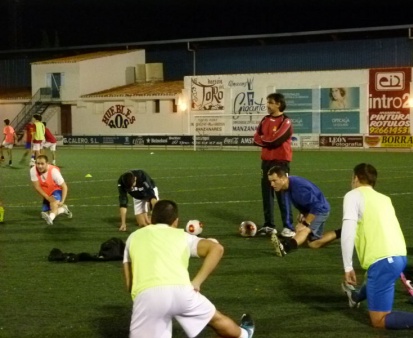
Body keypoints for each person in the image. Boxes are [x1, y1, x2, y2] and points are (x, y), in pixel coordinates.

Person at [340, 163, 413, 332]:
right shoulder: (385, 199)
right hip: (398, 257)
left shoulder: (353, 195)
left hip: (382, 261)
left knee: (379, 320)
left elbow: (348, 230)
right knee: (373, 277)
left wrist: (348, 266)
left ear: (355, 178)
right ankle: (355, 296)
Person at [122, 199, 255, 338]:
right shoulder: (183, 236)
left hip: (148, 296)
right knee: (215, 319)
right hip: (182, 293)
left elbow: (129, 284)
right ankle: (245, 334)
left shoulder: (133, 237)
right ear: (176, 221)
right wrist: (196, 282)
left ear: (151, 218)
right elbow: (217, 248)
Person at [268, 166, 341, 257]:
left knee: (304, 229)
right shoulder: (287, 185)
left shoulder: (298, 188)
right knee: (313, 243)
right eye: (271, 181)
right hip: (313, 209)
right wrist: (302, 213)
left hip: (320, 210)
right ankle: (342, 232)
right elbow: (303, 201)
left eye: (274, 180)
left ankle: (286, 248)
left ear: (283, 178)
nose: (272, 184)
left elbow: (316, 205)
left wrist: (306, 223)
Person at [253, 93, 294, 238]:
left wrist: (266, 140)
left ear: (278, 104)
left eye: (270, 102)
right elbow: (256, 139)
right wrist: (267, 140)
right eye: (267, 102)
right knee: (267, 194)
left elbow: (275, 141)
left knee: (282, 193)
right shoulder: (264, 120)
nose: (268, 105)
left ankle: (288, 227)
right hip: (266, 162)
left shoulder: (286, 121)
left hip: (281, 162)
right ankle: (269, 225)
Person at [30, 154, 72, 225]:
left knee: (53, 205)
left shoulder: (54, 172)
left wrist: (62, 201)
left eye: (42, 164)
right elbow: (37, 186)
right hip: (47, 192)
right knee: (44, 213)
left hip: (56, 190)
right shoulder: (33, 170)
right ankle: (62, 209)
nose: (40, 166)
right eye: (38, 163)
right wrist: (47, 197)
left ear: (47, 163)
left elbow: (64, 186)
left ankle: (50, 218)